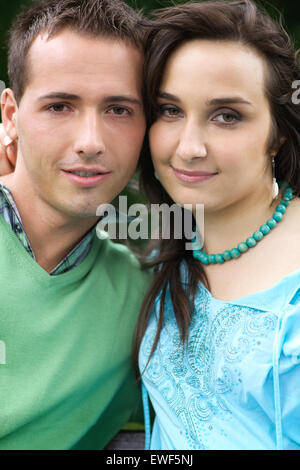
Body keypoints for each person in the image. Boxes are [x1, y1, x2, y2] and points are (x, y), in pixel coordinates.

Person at [134, 0, 300, 450]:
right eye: (169, 110)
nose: (189, 147)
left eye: (227, 116)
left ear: (278, 131)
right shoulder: (163, 250)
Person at [0, 0, 152, 450]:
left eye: (119, 109)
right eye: (60, 106)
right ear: (10, 115)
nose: (90, 142)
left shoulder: (147, 300)